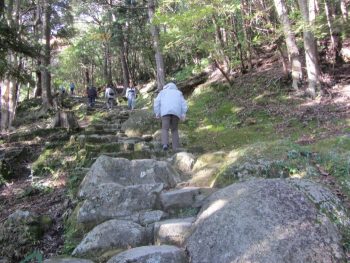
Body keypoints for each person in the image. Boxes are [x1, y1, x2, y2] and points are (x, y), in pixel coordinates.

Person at [153, 82, 188, 151]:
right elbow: (183, 104)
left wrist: (157, 113)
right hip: (176, 113)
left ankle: (165, 144)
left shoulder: (162, 92)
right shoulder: (178, 93)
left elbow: (156, 102)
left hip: (165, 112)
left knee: (165, 128)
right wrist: (183, 113)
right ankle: (176, 148)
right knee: (174, 130)